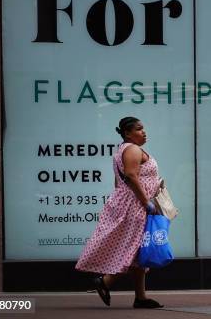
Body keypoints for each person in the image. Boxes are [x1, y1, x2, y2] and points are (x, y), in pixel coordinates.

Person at [76, 117, 163, 309]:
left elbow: (119, 183)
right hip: (136, 205)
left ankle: (140, 297)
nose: (144, 132)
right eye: (139, 129)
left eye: (143, 128)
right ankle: (105, 282)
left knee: (139, 249)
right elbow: (131, 176)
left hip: (129, 203)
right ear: (127, 133)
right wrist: (146, 202)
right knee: (133, 248)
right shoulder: (131, 149)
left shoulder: (121, 151)